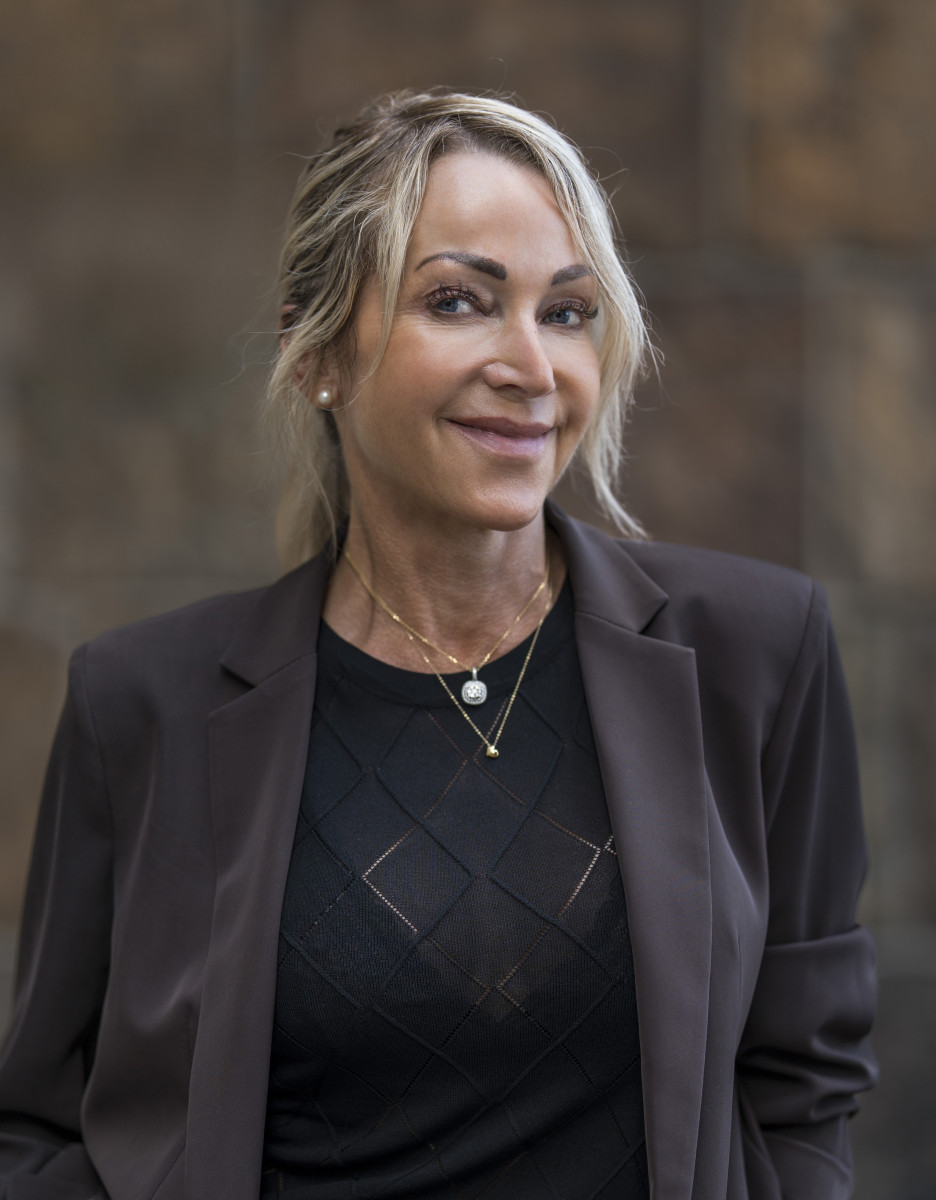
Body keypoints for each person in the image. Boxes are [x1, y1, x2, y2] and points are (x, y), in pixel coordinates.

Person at [0, 89, 876, 1200]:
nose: (532, 366)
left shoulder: (757, 655)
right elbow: (43, 1122)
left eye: (568, 312)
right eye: (460, 301)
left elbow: (805, 1076)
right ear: (317, 348)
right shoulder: (143, 702)